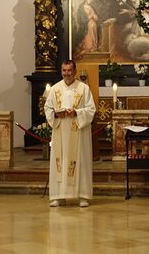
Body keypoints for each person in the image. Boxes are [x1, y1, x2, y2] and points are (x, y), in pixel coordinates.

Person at [44, 60, 96, 208]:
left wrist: (76, 112)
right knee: (60, 162)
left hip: (78, 131)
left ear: (75, 71)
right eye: (64, 70)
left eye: (69, 70)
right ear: (61, 71)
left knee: (80, 161)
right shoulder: (55, 89)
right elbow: (48, 108)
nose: (67, 73)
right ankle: (58, 196)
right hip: (60, 130)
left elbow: (91, 110)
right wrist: (55, 114)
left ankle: (82, 195)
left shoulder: (83, 89)